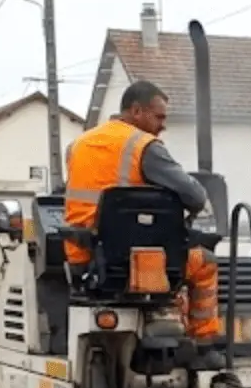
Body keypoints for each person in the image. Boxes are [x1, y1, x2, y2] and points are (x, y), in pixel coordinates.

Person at [62, 79, 222, 365]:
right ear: (136, 112)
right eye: (159, 117)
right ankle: (204, 347)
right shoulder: (144, 147)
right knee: (206, 262)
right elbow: (195, 196)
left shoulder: (77, 145)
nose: (163, 125)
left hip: (82, 262)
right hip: (136, 266)